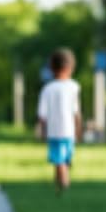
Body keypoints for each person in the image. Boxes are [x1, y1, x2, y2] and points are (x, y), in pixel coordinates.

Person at [36, 48, 82, 193]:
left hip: (53, 131)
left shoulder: (47, 89)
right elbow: (76, 111)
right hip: (68, 131)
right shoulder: (74, 87)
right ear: (71, 68)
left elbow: (42, 115)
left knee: (58, 161)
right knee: (64, 159)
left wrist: (43, 131)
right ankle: (64, 183)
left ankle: (60, 184)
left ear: (51, 68)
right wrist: (78, 128)